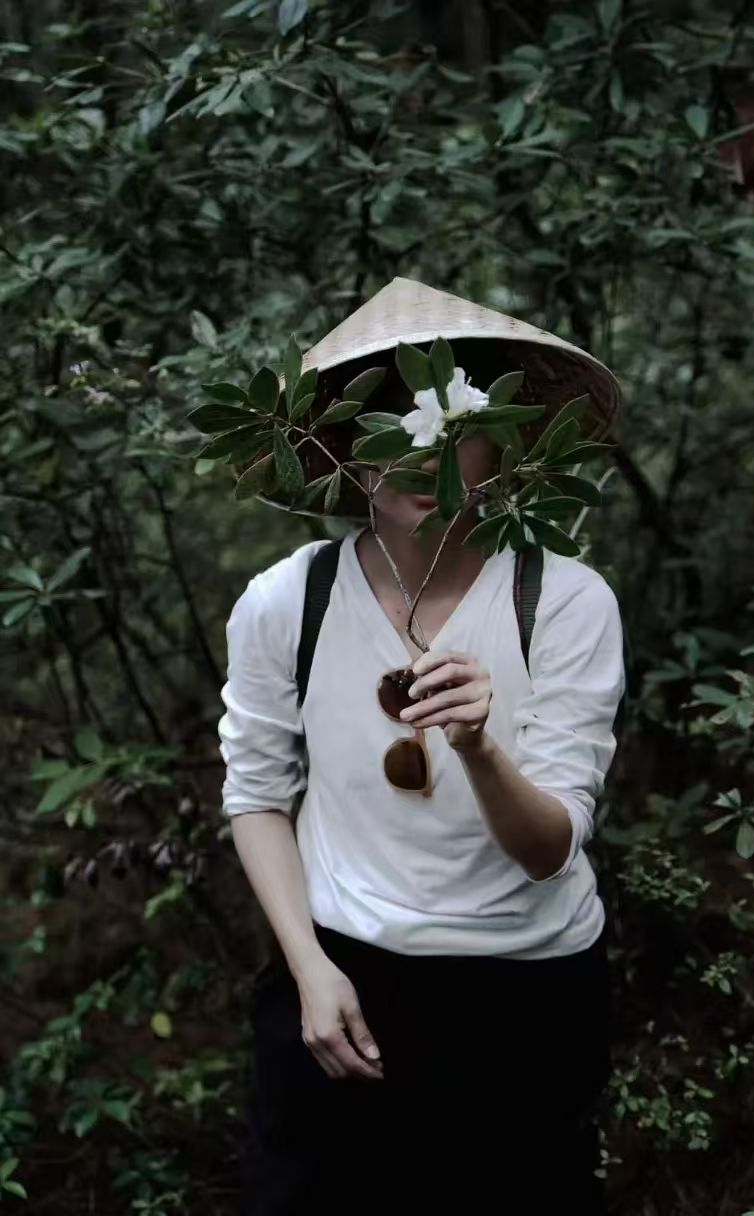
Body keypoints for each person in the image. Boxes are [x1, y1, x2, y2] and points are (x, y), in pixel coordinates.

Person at [217, 277, 625, 1214]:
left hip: (524, 995)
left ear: (500, 444)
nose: (415, 450)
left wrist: (480, 745)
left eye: (446, 425)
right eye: (383, 423)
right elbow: (258, 794)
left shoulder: (561, 602)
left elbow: (549, 847)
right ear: (343, 450)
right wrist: (308, 970)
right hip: (340, 979)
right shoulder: (289, 603)